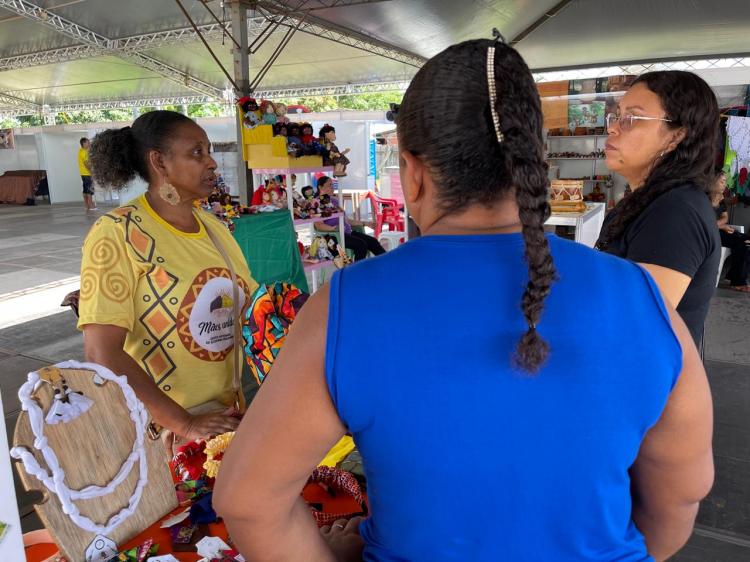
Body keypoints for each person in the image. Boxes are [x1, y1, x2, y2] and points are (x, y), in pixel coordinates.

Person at [215, 37, 713, 562]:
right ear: (533, 160)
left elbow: (248, 501)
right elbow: (681, 495)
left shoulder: (345, 308)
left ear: (413, 173)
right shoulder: (642, 297)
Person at [78, 110, 258, 441]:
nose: (212, 163)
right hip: (160, 434)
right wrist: (185, 423)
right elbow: (101, 352)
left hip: (223, 422)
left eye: (209, 151)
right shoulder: (118, 232)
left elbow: (249, 311)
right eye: (197, 152)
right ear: (159, 163)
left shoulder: (215, 228)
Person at [596, 70, 720, 347]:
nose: (613, 127)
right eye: (616, 115)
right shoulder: (646, 201)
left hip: (648, 384)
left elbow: (637, 328)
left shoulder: (675, 213)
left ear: (675, 136)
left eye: (631, 118)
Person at [313, 175, 386, 261]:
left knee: (372, 241)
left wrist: (365, 223)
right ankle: (357, 271)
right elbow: (319, 225)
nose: (332, 188)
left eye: (333, 185)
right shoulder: (316, 203)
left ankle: (387, 263)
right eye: (330, 185)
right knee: (361, 244)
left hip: (347, 233)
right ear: (320, 187)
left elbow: (346, 221)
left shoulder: (334, 201)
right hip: (333, 237)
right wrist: (333, 229)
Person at [712, 171, 750, 291]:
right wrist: (721, 226)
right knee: (741, 243)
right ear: (712, 182)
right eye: (722, 182)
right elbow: (704, 222)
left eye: (725, 182)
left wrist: (721, 225)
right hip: (710, 233)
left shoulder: (721, 199)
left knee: (746, 241)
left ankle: (733, 276)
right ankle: (737, 281)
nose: (725, 185)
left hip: (718, 229)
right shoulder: (704, 198)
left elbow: (725, 217)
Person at [78, 137, 96, 211]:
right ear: (84, 143)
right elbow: (86, 164)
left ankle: (86, 205)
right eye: (88, 142)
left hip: (83, 174)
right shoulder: (84, 152)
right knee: (90, 189)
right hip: (87, 174)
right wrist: (92, 173)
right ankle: (91, 205)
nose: (89, 143)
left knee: (85, 190)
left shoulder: (80, 151)